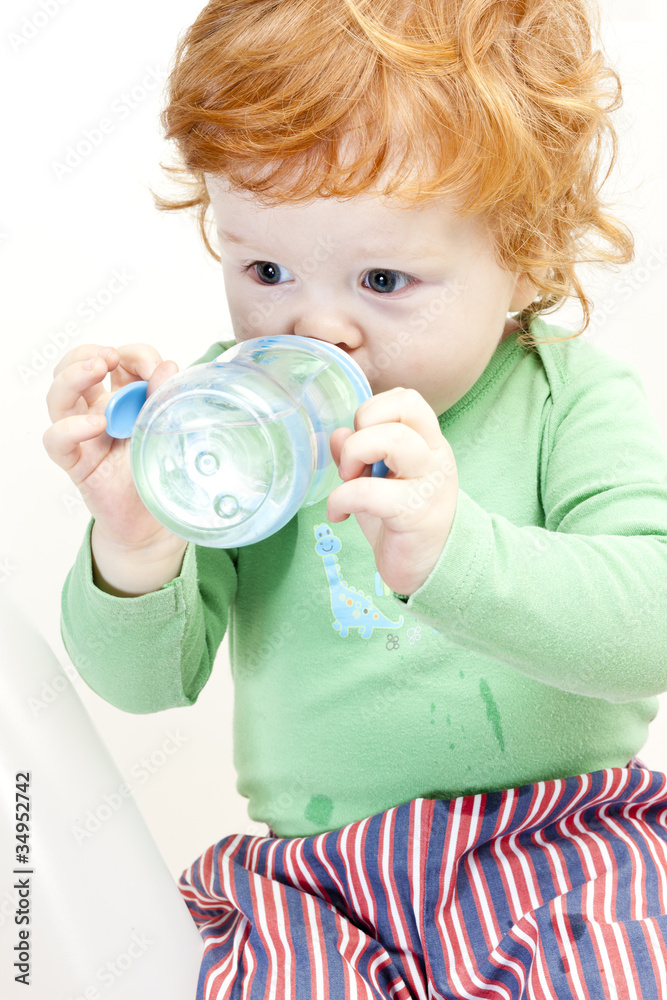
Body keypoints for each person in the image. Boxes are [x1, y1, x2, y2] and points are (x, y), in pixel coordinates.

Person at [44, 1, 667, 997]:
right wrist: (137, 539)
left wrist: (453, 551)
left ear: (525, 257)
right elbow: (143, 683)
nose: (316, 323)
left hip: (557, 839)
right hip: (318, 875)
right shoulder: (235, 419)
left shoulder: (566, 394)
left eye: (383, 277)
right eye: (265, 269)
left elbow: (650, 625)